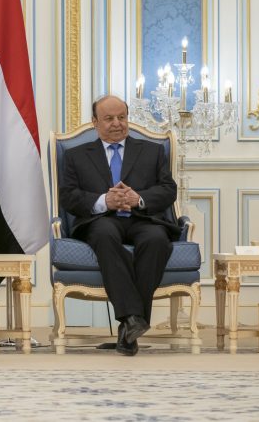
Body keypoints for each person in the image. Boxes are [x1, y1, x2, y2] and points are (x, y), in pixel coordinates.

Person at [58, 94, 179, 356]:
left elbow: (168, 190)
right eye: (109, 118)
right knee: (104, 235)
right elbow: (68, 196)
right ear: (94, 122)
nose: (117, 124)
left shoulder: (152, 151)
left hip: (142, 219)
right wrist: (105, 200)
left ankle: (130, 323)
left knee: (157, 240)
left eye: (122, 117)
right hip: (100, 220)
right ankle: (134, 319)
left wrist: (139, 198)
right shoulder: (76, 156)